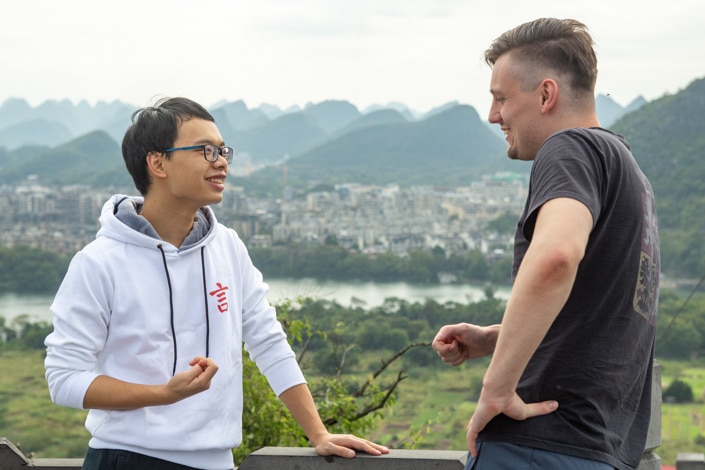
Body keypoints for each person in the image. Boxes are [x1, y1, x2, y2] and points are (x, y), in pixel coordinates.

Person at [44, 96, 389, 470]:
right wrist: (163, 394)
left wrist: (318, 434)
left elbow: (267, 340)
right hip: (128, 457)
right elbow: (64, 379)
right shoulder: (99, 263)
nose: (221, 161)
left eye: (223, 150)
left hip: (219, 461)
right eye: (206, 150)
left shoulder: (227, 246)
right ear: (158, 162)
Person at [432, 18, 659, 470]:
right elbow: (598, 315)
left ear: (546, 94)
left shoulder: (569, 149)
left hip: (541, 446)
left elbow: (555, 257)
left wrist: (496, 389)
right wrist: (497, 338)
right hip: (600, 449)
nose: (494, 115)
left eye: (500, 98)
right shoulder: (628, 171)